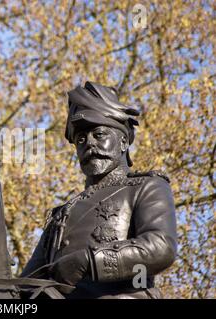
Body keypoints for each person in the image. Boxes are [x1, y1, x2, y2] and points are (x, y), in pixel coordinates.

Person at [21, 81, 177, 299]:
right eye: (81, 139)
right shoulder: (61, 215)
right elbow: (25, 284)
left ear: (123, 141)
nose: (89, 144)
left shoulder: (146, 187)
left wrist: (89, 261)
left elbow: (161, 247)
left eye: (99, 134)